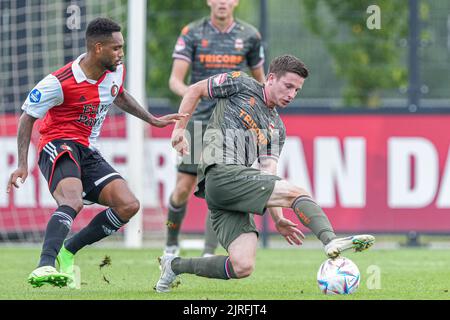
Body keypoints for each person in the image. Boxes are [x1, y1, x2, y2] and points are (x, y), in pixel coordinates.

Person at [154, 55, 375, 293]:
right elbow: (195, 90)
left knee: (242, 265)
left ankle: (173, 265)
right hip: (219, 171)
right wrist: (179, 129)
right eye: (288, 86)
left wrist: (279, 219)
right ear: (271, 79)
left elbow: (269, 172)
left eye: (297, 90)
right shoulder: (241, 83)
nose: (292, 94)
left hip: (227, 191)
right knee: (298, 192)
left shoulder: (277, 128)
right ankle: (330, 240)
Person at [6, 17, 187, 288]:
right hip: (57, 143)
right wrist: (22, 164)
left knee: (129, 205)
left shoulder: (115, 71)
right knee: (72, 201)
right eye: (116, 48)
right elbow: (26, 117)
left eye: (122, 47)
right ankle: (44, 264)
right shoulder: (58, 82)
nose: (121, 53)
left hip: (87, 150)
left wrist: (153, 120)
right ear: (98, 48)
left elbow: (119, 94)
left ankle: (69, 249)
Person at [164, 0, 266, 258]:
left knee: (215, 188)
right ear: (209, 1)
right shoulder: (193, 32)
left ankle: (209, 251)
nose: (222, 2)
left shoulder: (251, 36)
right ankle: (170, 241)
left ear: (236, 2)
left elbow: (260, 82)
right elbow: (176, 80)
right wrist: (196, 93)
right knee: (183, 189)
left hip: (233, 123)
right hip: (198, 120)